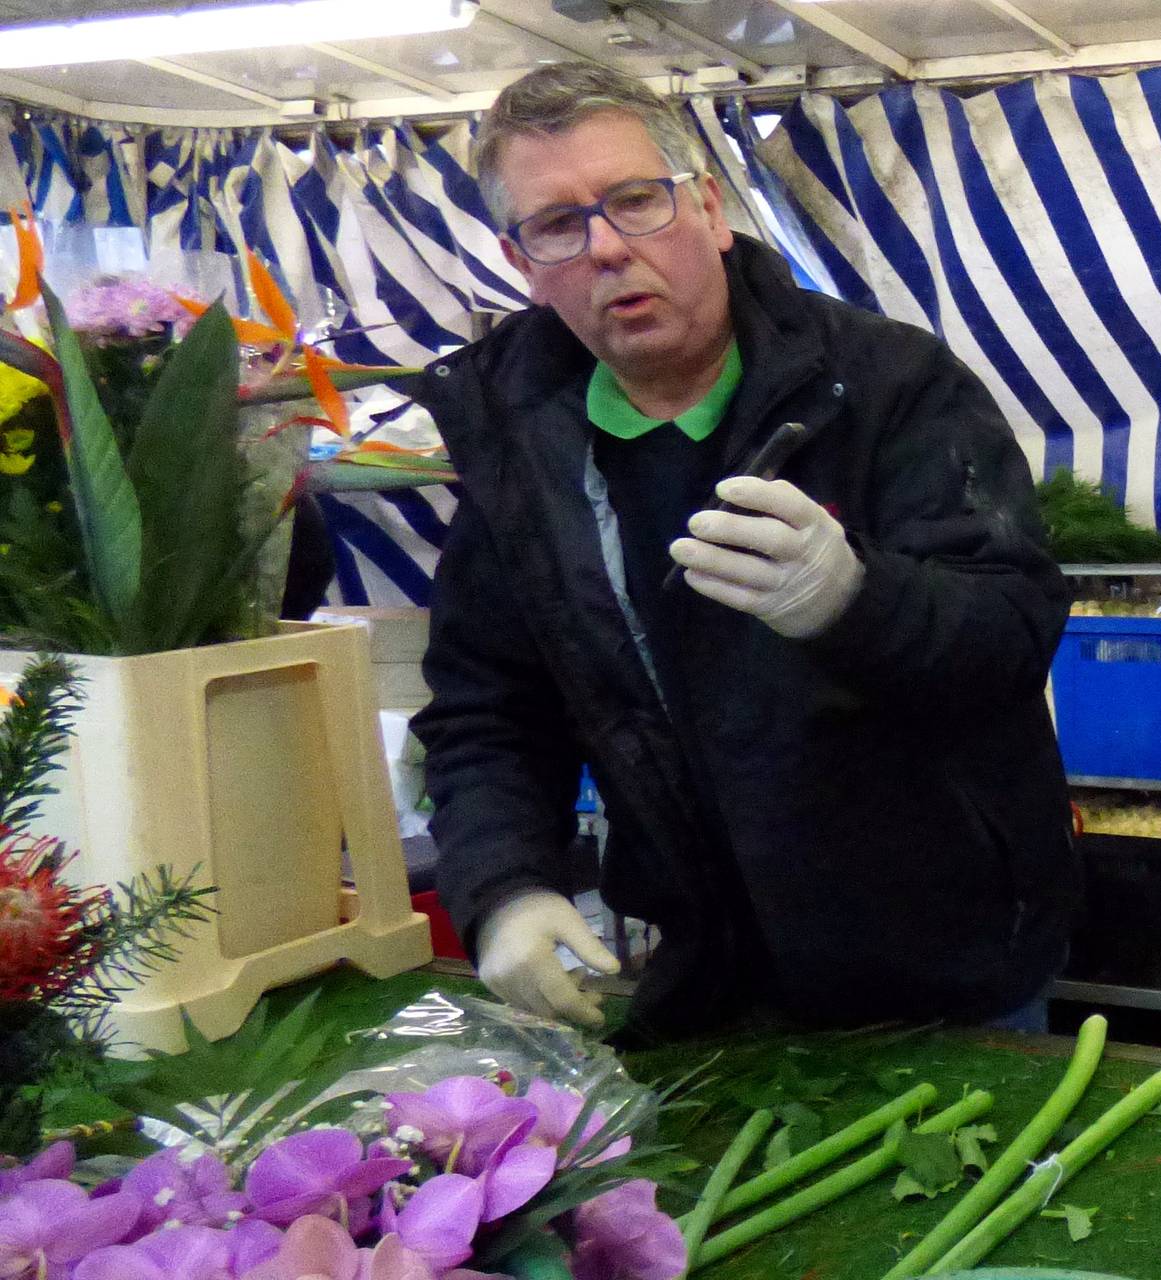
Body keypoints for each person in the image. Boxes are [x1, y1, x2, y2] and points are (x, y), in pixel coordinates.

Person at [412, 62, 1076, 1041]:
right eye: (558, 224)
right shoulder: (519, 447)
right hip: (699, 971)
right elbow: (487, 712)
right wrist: (504, 885)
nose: (606, 249)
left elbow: (1013, 629)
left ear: (710, 209)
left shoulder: (889, 385)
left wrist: (853, 599)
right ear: (523, 265)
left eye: (635, 202)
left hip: (943, 966)